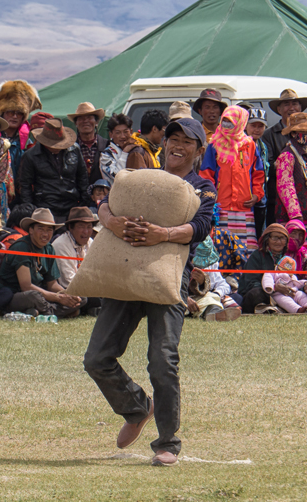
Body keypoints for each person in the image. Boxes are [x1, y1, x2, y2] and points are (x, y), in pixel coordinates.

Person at [83, 117, 214, 467]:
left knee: (162, 361)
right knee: (96, 358)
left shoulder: (202, 186)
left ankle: (167, 442)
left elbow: (202, 225)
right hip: (124, 275)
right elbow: (108, 199)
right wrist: (108, 219)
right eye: (173, 138)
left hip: (167, 279)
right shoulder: (142, 178)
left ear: (199, 150)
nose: (177, 145)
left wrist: (165, 235)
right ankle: (137, 408)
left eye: (187, 141)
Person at [0, 208, 86, 317]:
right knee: (33, 296)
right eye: (41, 229)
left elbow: (52, 284)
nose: (45, 234)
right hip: (16, 294)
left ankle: (40, 312)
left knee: (81, 297)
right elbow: (26, 286)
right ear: (31, 230)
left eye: (49, 230)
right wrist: (58, 298)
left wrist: (67, 296)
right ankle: (53, 312)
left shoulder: (49, 248)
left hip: (41, 294)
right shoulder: (21, 247)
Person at [199, 106, 264, 251]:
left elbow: (258, 173)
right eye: (225, 122)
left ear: (240, 122)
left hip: (245, 207)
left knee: (246, 251)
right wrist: (211, 197)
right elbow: (206, 174)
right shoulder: (214, 145)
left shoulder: (250, 145)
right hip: (221, 207)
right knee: (222, 249)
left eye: (231, 122)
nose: (227, 126)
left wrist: (256, 195)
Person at [20, 118, 89, 222]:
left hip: (72, 206)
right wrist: (31, 210)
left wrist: (84, 202)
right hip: (43, 207)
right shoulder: (30, 156)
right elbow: (25, 185)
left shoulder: (74, 150)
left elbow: (82, 177)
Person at [275, 113, 307, 251]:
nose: (304, 135)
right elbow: (285, 185)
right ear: (293, 133)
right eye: (300, 132)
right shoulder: (287, 155)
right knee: (292, 250)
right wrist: (295, 215)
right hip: (293, 217)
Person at [263, 89, 307, 225]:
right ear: (279, 109)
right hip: (278, 199)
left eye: (295, 104)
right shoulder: (269, 134)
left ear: (301, 108)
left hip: (306, 199)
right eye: (286, 104)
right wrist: (287, 164)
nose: (291, 108)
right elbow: (268, 165)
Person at [51, 206, 101, 315]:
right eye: (81, 226)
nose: (86, 231)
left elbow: (97, 271)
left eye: (89, 227)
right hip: (70, 291)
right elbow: (68, 282)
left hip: (88, 288)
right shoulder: (61, 245)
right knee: (85, 299)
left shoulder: (90, 242)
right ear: (70, 227)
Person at [0, 80, 42, 182]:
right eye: (11, 112)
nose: (15, 116)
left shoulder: (29, 141)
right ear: (3, 113)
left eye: (19, 113)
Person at [99, 114, 154, 184]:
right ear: (111, 135)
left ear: (131, 132)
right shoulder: (106, 155)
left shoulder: (137, 148)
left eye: (125, 132)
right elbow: (118, 176)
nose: (122, 136)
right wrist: (125, 153)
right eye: (118, 133)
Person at [246, 107, 270, 237]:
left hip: (261, 199)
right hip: (247, 198)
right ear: (245, 125)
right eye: (253, 125)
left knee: (258, 235)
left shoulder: (263, 146)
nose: (256, 129)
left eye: (260, 126)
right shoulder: (241, 145)